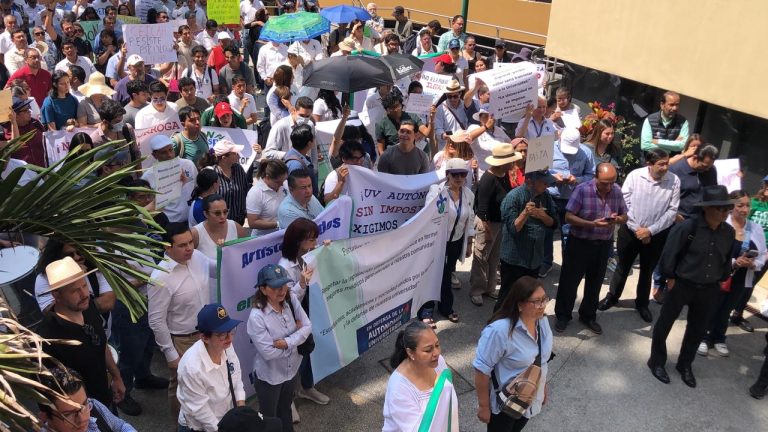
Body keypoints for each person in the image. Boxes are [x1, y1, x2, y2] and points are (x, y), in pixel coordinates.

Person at [648, 185, 737, 388]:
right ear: (706, 208)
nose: (724, 212)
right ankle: (656, 362)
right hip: (682, 284)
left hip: (709, 288)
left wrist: (722, 278)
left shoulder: (728, 232)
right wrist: (669, 278)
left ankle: (685, 365)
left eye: (726, 208)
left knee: (697, 329)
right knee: (664, 324)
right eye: (720, 208)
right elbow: (668, 255)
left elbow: (726, 259)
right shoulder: (688, 227)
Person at [598, 149, 680, 323]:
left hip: (656, 235)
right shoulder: (635, 176)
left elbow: (672, 211)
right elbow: (624, 203)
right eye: (661, 164)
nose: (666, 167)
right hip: (630, 231)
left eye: (667, 163)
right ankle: (612, 297)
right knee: (622, 266)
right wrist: (638, 230)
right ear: (649, 164)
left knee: (646, 271)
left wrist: (650, 231)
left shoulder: (674, 181)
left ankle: (642, 304)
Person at [148, 222, 217, 418]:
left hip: (207, 334)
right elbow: (156, 320)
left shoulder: (196, 256)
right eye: (182, 245)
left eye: (190, 242)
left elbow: (215, 268)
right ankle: (182, 425)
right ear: (167, 247)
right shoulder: (160, 278)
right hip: (182, 340)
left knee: (207, 381)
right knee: (182, 387)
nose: (189, 248)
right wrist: (170, 354)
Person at [37, 257, 125, 410]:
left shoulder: (87, 306)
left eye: (84, 285)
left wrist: (116, 377)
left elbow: (101, 344)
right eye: (74, 290)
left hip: (106, 398)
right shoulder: (47, 338)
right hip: (81, 413)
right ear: (57, 296)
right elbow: (49, 391)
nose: (84, 294)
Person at [553, 163, 628, 334]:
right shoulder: (582, 190)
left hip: (603, 245)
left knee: (595, 283)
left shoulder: (616, 191)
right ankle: (563, 315)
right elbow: (569, 217)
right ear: (596, 177)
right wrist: (591, 224)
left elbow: (625, 215)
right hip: (579, 243)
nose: (608, 186)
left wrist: (617, 220)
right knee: (569, 282)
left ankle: (588, 315)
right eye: (604, 183)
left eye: (612, 182)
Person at [473, 276, 553, 432]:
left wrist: (542, 387)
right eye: (536, 301)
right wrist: (483, 406)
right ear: (520, 305)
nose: (542, 305)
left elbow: (541, 361)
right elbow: (481, 370)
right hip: (504, 404)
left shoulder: (542, 322)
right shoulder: (499, 331)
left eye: (544, 299)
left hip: (529, 400)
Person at [698, 190, 766, 357]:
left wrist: (753, 263)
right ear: (730, 206)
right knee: (712, 306)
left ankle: (719, 338)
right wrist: (735, 262)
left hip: (742, 278)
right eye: (740, 205)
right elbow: (712, 252)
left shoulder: (755, 228)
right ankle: (703, 337)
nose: (744, 209)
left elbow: (763, 254)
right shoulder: (723, 225)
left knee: (726, 308)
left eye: (748, 205)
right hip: (719, 275)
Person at [247, 263, 312, 432]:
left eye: (284, 285)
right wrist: (297, 336)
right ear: (263, 289)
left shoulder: (290, 299)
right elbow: (268, 353)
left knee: (286, 410)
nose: (282, 290)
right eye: (276, 286)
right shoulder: (257, 317)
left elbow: (307, 326)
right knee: (269, 418)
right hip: (270, 378)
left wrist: (287, 342)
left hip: (291, 371)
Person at [277, 218, 330, 408]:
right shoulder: (284, 266)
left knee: (306, 351)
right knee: (291, 358)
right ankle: (288, 400)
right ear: (297, 241)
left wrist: (325, 251)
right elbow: (285, 299)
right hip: (290, 318)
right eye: (310, 240)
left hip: (307, 311)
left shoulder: (309, 255)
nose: (314, 243)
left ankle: (307, 387)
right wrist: (301, 283)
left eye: (316, 239)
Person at [418, 159, 475, 326]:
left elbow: (469, 218)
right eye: (455, 174)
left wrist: (469, 242)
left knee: (447, 274)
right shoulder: (437, 191)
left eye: (462, 174)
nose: (459, 178)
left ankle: (445, 307)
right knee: (432, 274)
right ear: (447, 175)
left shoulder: (468, 194)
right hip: (437, 242)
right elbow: (428, 213)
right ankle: (426, 309)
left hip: (455, 242)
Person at [177, 303, 246, 431]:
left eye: (230, 331)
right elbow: (201, 411)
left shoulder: (227, 345)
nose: (229, 338)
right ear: (204, 337)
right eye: (221, 334)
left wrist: (241, 411)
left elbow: (236, 379)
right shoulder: (191, 367)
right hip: (200, 427)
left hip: (225, 418)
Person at [469, 143, 521, 306]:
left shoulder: (504, 175)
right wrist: (487, 229)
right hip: (488, 223)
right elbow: (482, 207)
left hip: (500, 222)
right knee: (481, 256)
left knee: (494, 257)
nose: (513, 163)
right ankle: (477, 290)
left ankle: (490, 288)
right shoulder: (488, 179)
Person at [496, 171, 557, 310]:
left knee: (528, 297)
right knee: (508, 297)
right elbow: (513, 228)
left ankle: (524, 322)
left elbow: (554, 223)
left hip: (534, 259)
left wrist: (543, 216)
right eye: (543, 182)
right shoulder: (513, 197)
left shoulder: (545, 196)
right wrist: (525, 213)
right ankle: (498, 324)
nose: (547, 185)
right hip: (514, 259)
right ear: (530, 181)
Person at [540, 127, 596, 278]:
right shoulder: (547, 149)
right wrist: (553, 177)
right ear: (559, 137)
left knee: (569, 233)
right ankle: (546, 263)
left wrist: (577, 180)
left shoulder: (586, 153)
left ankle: (569, 264)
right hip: (550, 196)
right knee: (546, 231)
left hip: (573, 199)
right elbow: (539, 171)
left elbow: (591, 175)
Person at [382, 320, 458, 431]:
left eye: (437, 345)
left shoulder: (438, 361)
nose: (436, 353)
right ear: (410, 353)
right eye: (428, 350)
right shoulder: (398, 388)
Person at [37, 367, 137, 432]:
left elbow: (120, 426)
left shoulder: (93, 406)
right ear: (45, 416)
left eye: (84, 404)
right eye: (68, 415)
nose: (83, 419)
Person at [733, 177, 768, 331]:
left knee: (750, 284)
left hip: (764, 254)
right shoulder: (754, 203)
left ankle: (738, 313)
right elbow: (743, 220)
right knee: (734, 281)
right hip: (747, 248)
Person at [141, 134, 198, 224]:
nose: (169, 155)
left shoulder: (188, 165)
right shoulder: (148, 176)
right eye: (164, 152)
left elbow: (196, 188)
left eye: (170, 150)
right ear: (155, 155)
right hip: (169, 224)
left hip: (191, 221)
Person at [197, 139, 252, 225]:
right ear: (224, 158)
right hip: (218, 224)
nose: (238, 155)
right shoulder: (211, 174)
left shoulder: (239, 169)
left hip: (238, 221)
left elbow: (245, 190)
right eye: (235, 153)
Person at [191, 193, 249, 259]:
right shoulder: (196, 234)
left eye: (225, 212)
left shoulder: (236, 227)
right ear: (206, 214)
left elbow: (248, 250)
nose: (222, 216)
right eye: (217, 213)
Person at [247, 160, 289, 237]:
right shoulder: (255, 193)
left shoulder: (284, 184)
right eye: (278, 182)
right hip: (264, 241)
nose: (282, 184)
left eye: (283, 180)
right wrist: (278, 224)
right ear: (267, 177)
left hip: (283, 236)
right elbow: (252, 222)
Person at [4, 96, 45, 166]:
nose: (29, 111)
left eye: (29, 108)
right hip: (24, 174)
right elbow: (15, 145)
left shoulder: (35, 123)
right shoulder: (8, 129)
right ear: (15, 115)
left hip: (45, 169)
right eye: (25, 110)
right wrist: (13, 122)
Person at [323, 140, 366, 204]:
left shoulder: (364, 172)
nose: (359, 162)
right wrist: (340, 183)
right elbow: (328, 201)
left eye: (361, 158)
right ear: (344, 159)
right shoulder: (333, 176)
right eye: (355, 159)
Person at [435, 80, 469, 149]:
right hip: (447, 146)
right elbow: (438, 128)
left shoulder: (466, 105)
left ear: (460, 94)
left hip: (463, 145)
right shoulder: (440, 108)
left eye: (455, 96)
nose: (452, 99)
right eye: (449, 96)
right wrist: (443, 135)